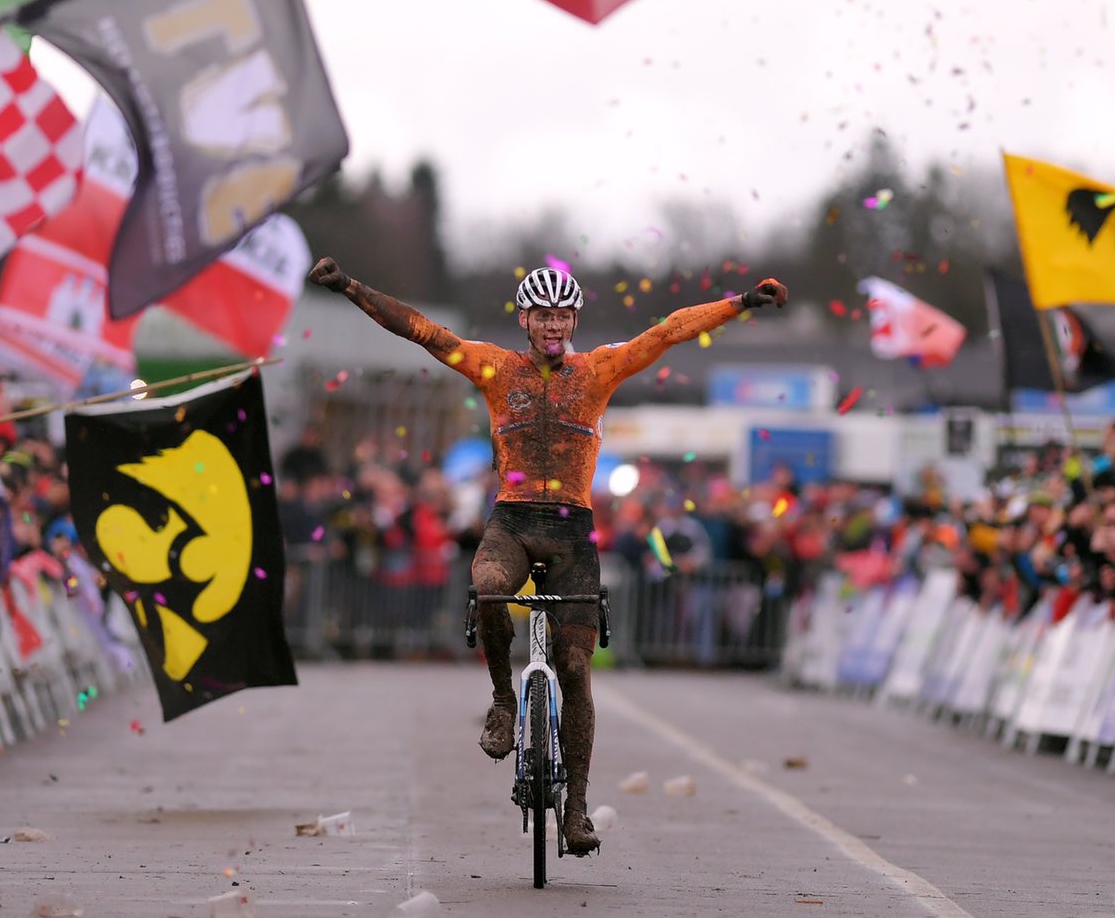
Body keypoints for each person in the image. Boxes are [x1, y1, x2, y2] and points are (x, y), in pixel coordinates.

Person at [308, 255, 787, 856]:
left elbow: (667, 330)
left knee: (577, 672)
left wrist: (739, 303)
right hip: (511, 522)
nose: (553, 324)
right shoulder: (494, 368)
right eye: (543, 314)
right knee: (487, 587)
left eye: (563, 314)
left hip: (571, 533)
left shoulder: (599, 370)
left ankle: (577, 809)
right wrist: (351, 285)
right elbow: (421, 330)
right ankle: (504, 702)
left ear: (574, 319)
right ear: (526, 319)